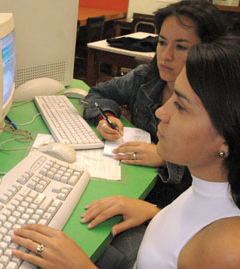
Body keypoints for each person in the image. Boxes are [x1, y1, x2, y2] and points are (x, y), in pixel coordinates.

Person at [11, 34, 240, 268]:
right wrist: (155, 212)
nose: (162, 112)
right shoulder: (210, 185)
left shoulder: (227, 251)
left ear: (227, 136)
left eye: (180, 106)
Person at [83, 0, 226, 209]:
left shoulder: (218, 99)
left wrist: (164, 158)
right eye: (162, 42)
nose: (166, 56)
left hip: (177, 206)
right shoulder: (145, 78)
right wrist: (106, 118)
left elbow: (221, 170)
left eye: (181, 47)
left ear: (208, 51)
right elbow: (96, 94)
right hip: (133, 184)